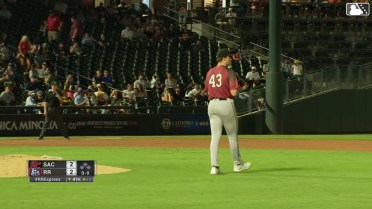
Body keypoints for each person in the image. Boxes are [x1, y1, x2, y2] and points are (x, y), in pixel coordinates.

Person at [204, 48, 251, 175]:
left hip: (212, 104)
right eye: (229, 57)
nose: (231, 58)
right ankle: (237, 164)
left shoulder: (210, 72)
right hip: (225, 104)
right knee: (232, 136)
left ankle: (214, 167)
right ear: (224, 57)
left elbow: (206, 91)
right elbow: (234, 93)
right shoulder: (229, 72)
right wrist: (241, 87)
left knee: (215, 137)